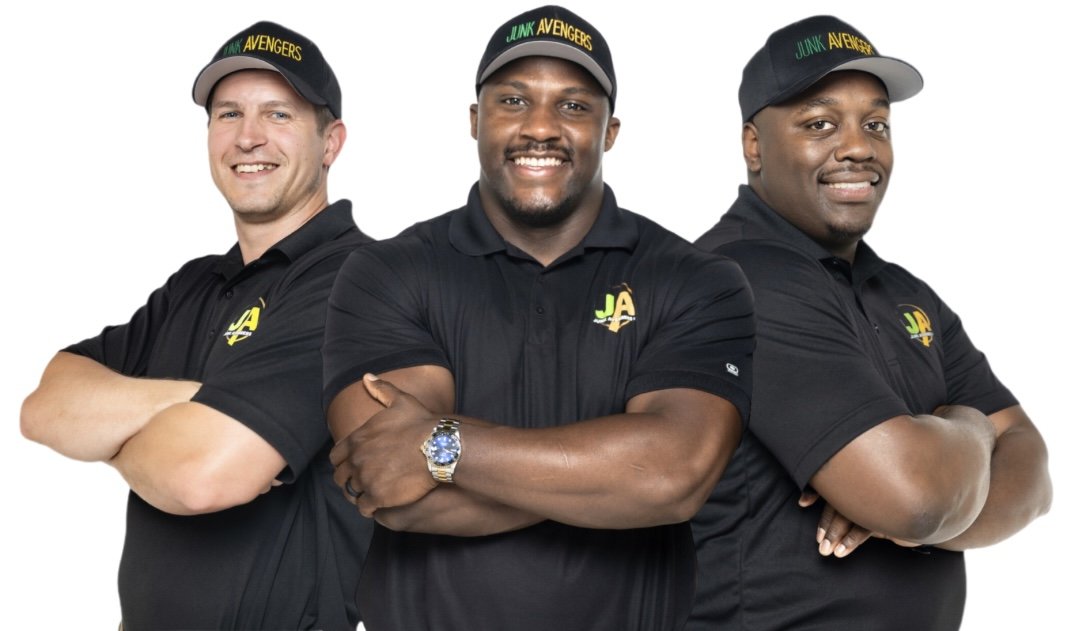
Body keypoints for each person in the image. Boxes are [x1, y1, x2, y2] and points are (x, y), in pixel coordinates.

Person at [322, 5, 755, 630]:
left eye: (575, 106)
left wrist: (445, 444)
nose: (542, 128)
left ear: (610, 130)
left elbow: (671, 477)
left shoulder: (697, 279)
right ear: (476, 121)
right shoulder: (387, 274)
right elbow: (391, 490)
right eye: (514, 101)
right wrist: (611, 478)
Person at [688, 14, 1053, 630]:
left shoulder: (907, 294)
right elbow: (914, 499)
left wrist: (932, 514)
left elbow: (1036, 477)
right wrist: (968, 426)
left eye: (876, 123)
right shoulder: (737, 282)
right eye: (820, 123)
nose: (858, 146)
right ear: (754, 145)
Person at [20, 21, 373, 630]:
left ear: (331, 141)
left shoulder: (358, 282)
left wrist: (110, 436)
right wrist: (190, 402)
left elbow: (201, 477)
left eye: (279, 115)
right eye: (228, 114)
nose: (248, 138)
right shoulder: (196, 284)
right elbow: (44, 407)